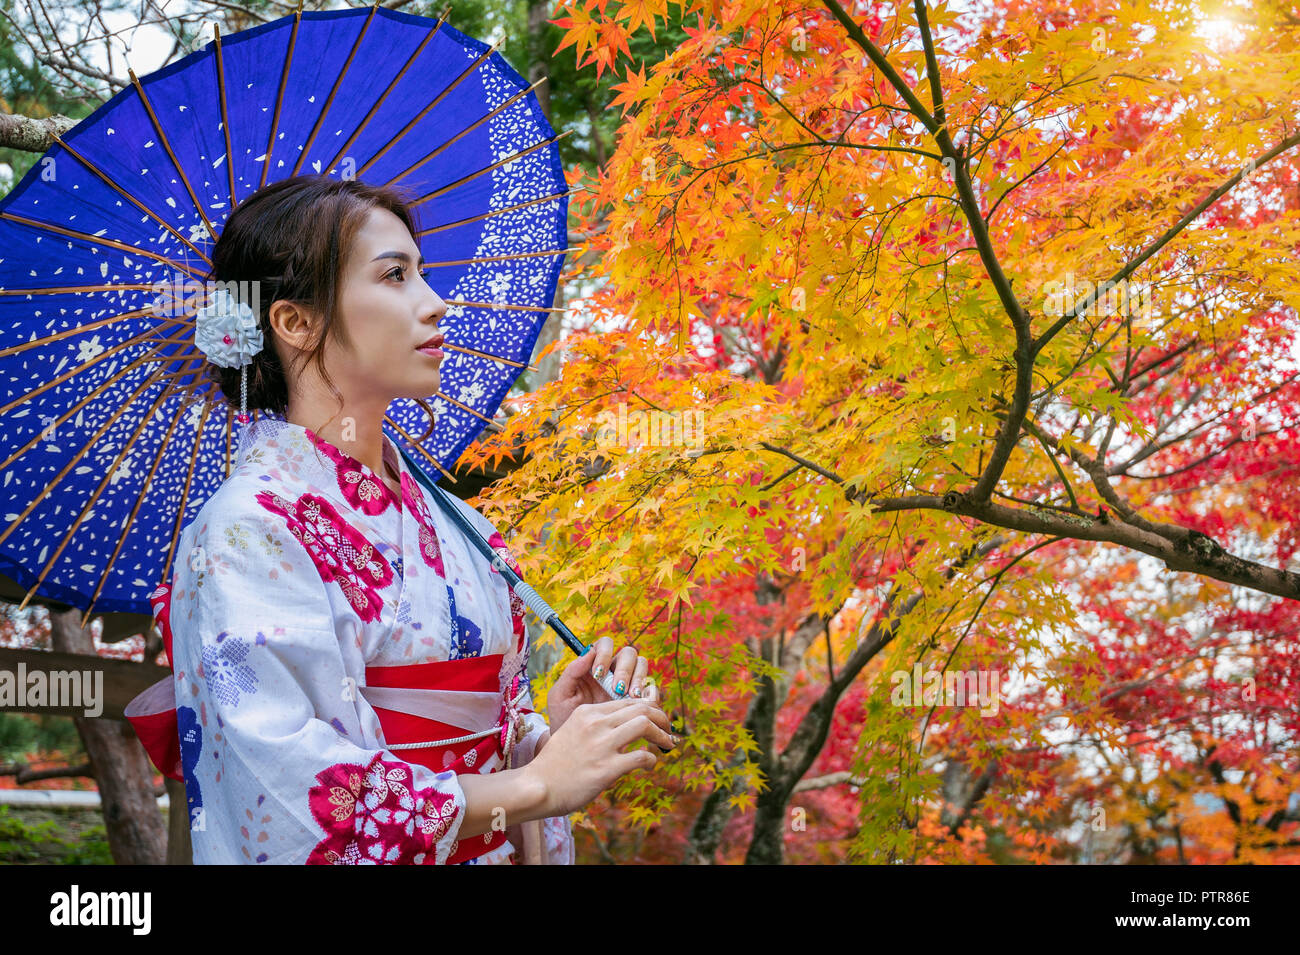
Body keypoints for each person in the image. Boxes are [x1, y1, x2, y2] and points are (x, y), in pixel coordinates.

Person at [125, 174, 675, 864]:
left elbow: (499, 747)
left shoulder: (458, 521)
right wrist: (535, 782)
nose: (435, 304)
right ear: (295, 322)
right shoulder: (244, 529)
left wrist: (546, 736)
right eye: (395, 276)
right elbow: (291, 790)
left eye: (423, 273)